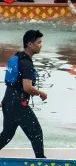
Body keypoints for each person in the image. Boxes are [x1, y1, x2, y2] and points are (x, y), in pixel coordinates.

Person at [1, 30, 47, 158]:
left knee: (7, 135)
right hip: (18, 104)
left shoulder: (17, 57)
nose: (41, 45)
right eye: (38, 42)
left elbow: (12, 84)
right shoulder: (26, 63)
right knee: (36, 132)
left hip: (8, 101)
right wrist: (40, 93)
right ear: (29, 44)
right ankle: (41, 162)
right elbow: (27, 87)